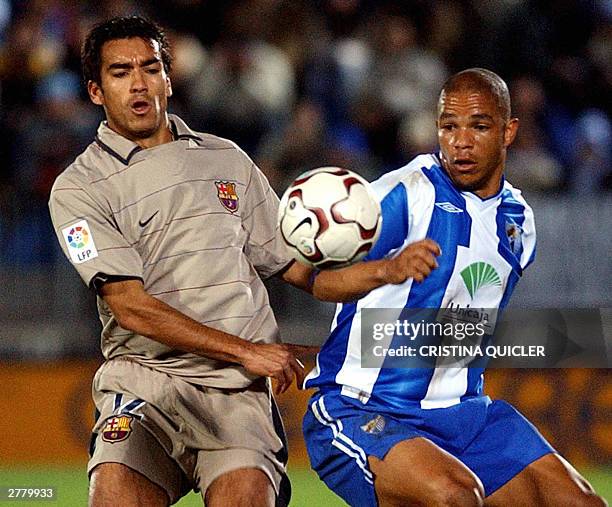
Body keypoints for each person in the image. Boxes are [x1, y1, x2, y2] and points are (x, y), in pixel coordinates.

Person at [302, 68, 606, 506]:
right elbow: (322, 281)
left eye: (479, 126)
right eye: (449, 127)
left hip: (468, 417)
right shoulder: (404, 194)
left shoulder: (519, 222)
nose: (461, 141)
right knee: (456, 498)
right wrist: (387, 272)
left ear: (508, 131)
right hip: (365, 408)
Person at [48, 16, 319, 507]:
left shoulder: (228, 160)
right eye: (120, 71)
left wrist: (382, 274)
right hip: (144, 383)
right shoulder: (76, 190)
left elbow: (298, 267)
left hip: (235, 394)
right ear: (94, 91)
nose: (138, 82)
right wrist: (247, 350)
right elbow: (129, 308)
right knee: (113, 495)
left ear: (168, 79)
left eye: (150, 68)